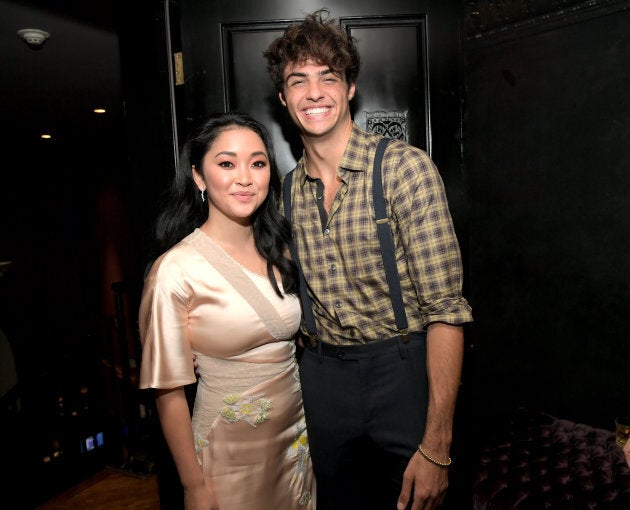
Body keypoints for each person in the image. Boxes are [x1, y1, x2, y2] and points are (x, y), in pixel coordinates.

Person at [263, 9, 473, 510]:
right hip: (321, 376)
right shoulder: (285, 194)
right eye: (299, 80)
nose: (313, 92)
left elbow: (446, 310)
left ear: (349, 87)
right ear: (283, 98)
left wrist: (439, 446)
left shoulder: (404, 169)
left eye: (327, 77)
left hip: (400, 372)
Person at [138, 112, 315, 509]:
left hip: (296, 442)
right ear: (199, 176)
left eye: (258, 163)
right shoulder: (175, 271)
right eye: (226, 163)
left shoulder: (280, 249)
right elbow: (168, 391)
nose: (245, 177)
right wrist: (193, 486)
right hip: (227, 453)